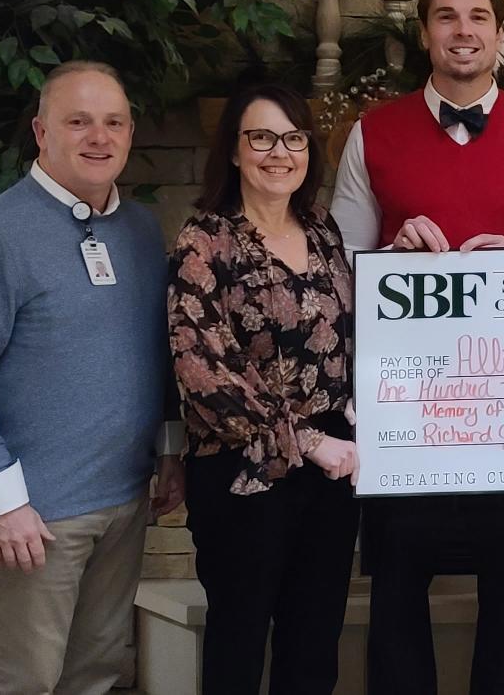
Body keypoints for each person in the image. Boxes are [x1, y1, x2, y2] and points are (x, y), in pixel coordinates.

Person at [331, 0, 504, 695]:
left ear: (500, 35)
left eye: (478, 17)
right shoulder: (371, 134)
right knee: (399, 576)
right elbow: (340, 271)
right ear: (424, 33)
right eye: (446, 16)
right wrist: (391, 258)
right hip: (406, 400)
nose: (462, 31)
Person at [0, 60, 185, 695]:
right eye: (78, 122)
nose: (99, 137)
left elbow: (158, 351)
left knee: (96, 675)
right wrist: (1, 504)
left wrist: (170, 449)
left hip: (124, 501)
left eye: (114, 122)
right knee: (24, 683)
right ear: (41, 133)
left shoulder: (139, 229)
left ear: (130, 134)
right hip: (33, 517)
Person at [168, 83, 360, 695]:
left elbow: (348, 334)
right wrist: (307, 440)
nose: (280, 153)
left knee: (314, 644)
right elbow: (201, 367)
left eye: (293, 138)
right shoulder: (204, 241)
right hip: (243, 471)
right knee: (239, 641)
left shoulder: (322, 229)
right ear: (233, 149)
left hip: (330, 473)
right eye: (261, 138)